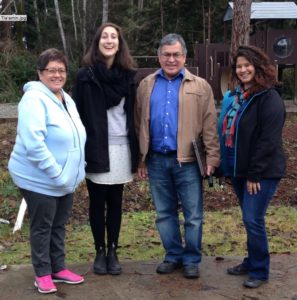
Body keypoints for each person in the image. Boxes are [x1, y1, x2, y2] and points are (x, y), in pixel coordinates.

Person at [135, 33, 220, 279]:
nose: (171, 59)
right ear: (159, 56)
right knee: (164, 213)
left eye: (176, 55)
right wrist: (141, 158)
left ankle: (191, 259)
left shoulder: (200, 86)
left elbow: (210, 125)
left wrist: (212, 159)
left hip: (189, 162)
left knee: (193, 215)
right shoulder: (146, 85)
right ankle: (173, 255)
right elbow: (139, 122)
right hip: (157, 161)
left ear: (184, 57)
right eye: (166, 54)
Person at [8, 48, 86, 294]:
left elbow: (73, 135)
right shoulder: (34, 99)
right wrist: (58, 173)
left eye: (61, 70)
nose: (57, 74)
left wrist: (76, 169)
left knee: (59, 223)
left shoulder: (65, 97)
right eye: (51, 70)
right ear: (39, 73)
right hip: (39, 178)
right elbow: (34, 144)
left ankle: (58, 268)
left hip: (64, 179)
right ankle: (42, 273)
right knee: (43, 225)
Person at [72, 23, 138, 276]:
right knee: (97, 202)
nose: (109, 41)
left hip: (122, 147)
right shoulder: (85, 76)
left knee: (116, 201)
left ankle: (113, 250)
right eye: (105, 37)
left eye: (114, 37)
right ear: (97, 42)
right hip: (96, 147)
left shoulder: (129, 76)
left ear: (120, 44)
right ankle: (99, 251)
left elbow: (135, 114)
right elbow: (76, 114)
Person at [218, 45, 286, 288]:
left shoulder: (269, 97)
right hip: (239, 169)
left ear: (258, 66)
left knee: (253, 218)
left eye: (247, 65)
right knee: (249, 220)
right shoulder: (238, 96)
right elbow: (229, 132)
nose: (243, 69)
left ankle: (259, 270)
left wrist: (255, 174)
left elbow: (268, 141)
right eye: (239, 66)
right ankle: (251, 260)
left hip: (261, 172)